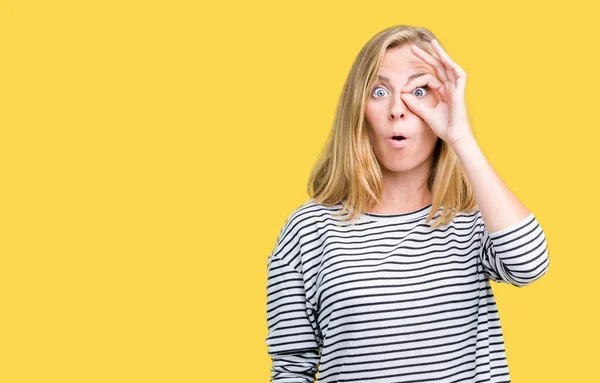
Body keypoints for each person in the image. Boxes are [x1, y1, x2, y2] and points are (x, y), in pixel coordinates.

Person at [265, 25, 549, 383]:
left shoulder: (473, 217)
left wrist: (462, 138)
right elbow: (292, 369)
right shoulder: (308, 231)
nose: (398, 109)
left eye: (419, 90)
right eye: (379, 91)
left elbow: (529, 265)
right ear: (358, 108)